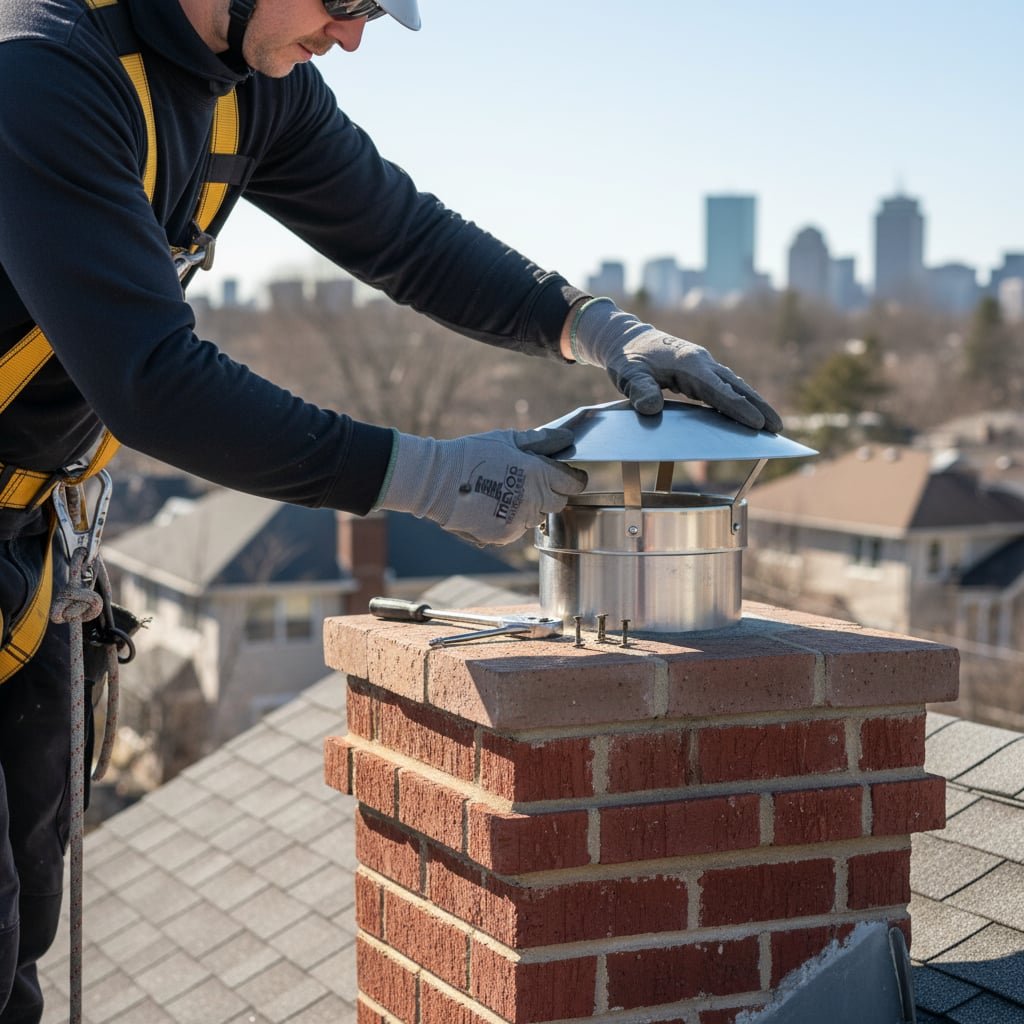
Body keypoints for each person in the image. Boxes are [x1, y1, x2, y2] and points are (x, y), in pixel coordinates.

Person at [0, 0, 782, 1018]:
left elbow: (404, 237)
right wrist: (436, 479)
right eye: (343, 2)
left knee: (23, 933)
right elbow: (154, 383)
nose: (352, 37)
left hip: (32, 544)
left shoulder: (252, 86)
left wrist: (596, 327)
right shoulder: (42, 75)